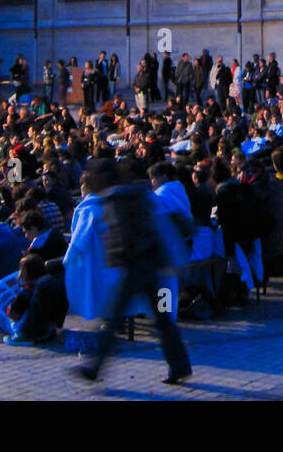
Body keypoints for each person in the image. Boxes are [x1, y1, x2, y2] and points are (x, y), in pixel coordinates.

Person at [70, 159, 192, 385]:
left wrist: (118, 258)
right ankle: (180, 366)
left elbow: (124, 237)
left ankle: (95, 368)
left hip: (138, 267)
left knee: (117, 318)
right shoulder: (133, 194)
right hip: (150, 266)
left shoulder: (118, 197)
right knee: (160, 321)